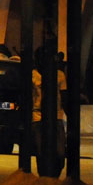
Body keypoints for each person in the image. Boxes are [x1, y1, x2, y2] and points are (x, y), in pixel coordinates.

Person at [32, 46, 66, 177]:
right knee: (40, 151)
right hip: (38, 115)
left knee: (60, 153)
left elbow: (64, 96)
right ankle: (43, 177)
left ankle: (55, 176)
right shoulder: (33, 75)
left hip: (56, 115)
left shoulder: (59, 75)